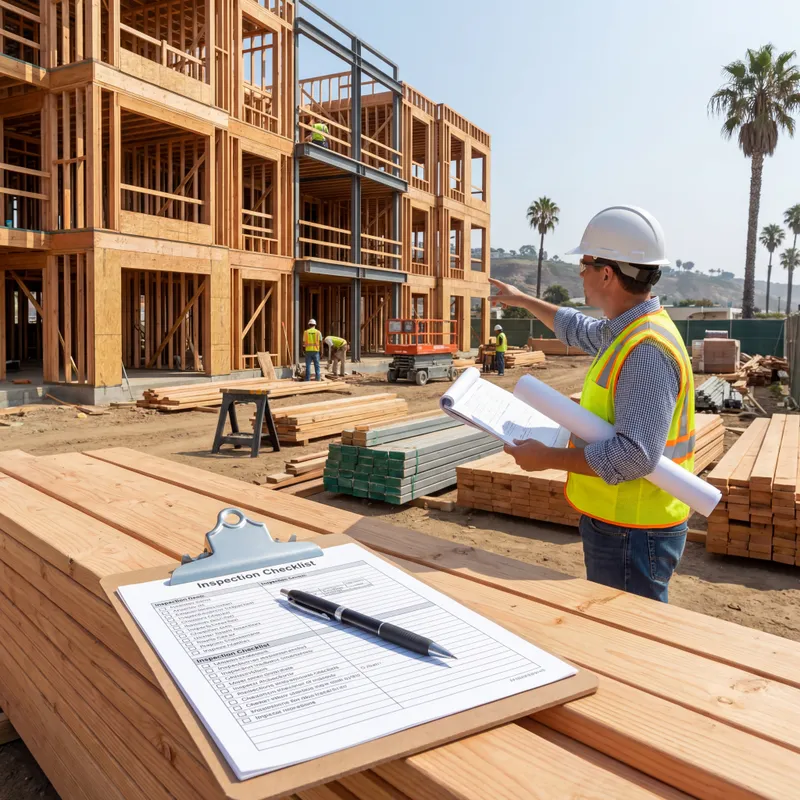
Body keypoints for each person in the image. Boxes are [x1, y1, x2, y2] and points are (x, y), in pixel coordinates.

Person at [490, 205, 693, 603]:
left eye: (584, 264)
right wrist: (522, 299)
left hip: (633, 531)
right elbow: (577, 328)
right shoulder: (627, 329)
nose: (579, 273)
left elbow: (634, 456)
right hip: (623, 525)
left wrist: (545, 458)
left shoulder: (645, 349)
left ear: (606, 274)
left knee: (628, 632)